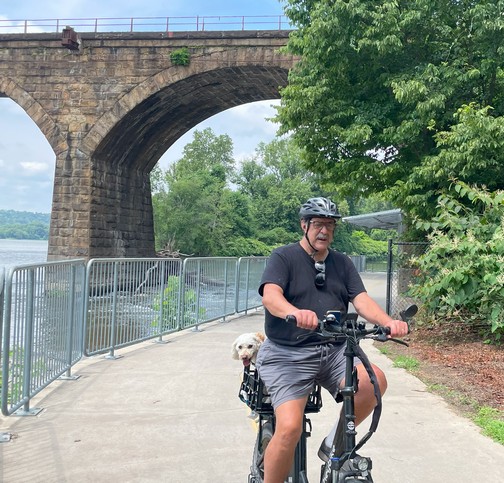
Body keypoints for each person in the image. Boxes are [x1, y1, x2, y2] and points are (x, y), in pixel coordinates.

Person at [255, 197, 409, 483]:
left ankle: (333, 447)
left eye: (329, 225)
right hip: (288, 353)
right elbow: (271, 296)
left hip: (336, 350)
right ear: (304, 225)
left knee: (375, 382)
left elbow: (361, 300)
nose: (324, 230)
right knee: (289, 428)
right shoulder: (283, 257)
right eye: (317, 224)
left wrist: (388, 322)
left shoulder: (342, 263)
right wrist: (294, 312)